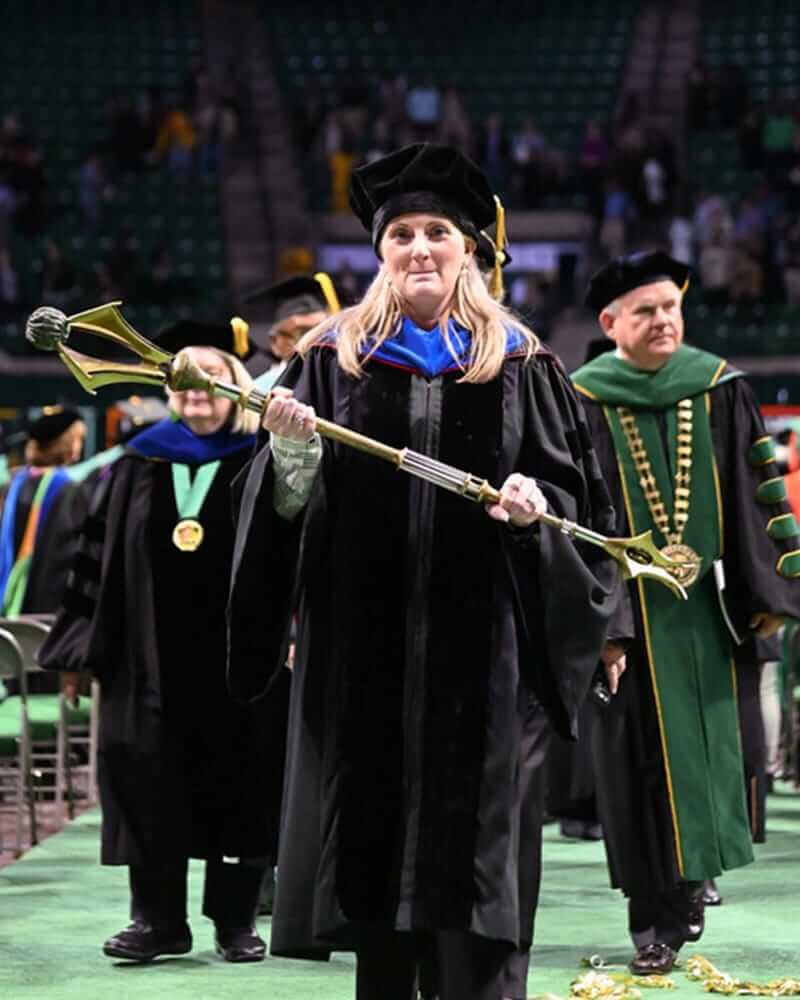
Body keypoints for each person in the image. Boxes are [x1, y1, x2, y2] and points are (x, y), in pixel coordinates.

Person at [227, 143, 628, 1000]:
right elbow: (276, 510)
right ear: (379, 251)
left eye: (437, 232)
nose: (419, 248)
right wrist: (291, 460)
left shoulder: (523, 364)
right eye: (401, 232)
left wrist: (536, 513)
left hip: (487, 672)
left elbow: (581, 505)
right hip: (361, 667)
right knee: (375, 882)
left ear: (471, 248)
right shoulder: (331, 364)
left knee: (480, 890)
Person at [572, 251, 800, 975]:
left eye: (671, 307)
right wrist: (605, 623)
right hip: (629, 619)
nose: (664, 320)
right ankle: (653, 919)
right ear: (611, 324)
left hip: (710, 612)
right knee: (636, 767)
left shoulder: (718, 387)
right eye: (646, 311)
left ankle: (692, 885)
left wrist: (766, 595)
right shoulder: (582, 399)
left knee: (709, 759)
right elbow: (576, 517)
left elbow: (757, 489)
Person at [37, 321, 288, 965]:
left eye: (211, 380)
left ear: (239, 388)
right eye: (183, 382)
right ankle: (157, 921)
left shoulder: (263, 458)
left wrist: (292, 632)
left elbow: (293, 558)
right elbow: (92, 563)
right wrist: (81, 652)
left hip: (241, 661)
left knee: (242, 782)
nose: (196, 394)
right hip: (144, 662)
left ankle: (235, 922)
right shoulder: (137, 462)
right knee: (150, 783)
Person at [0, 406, 87, 617]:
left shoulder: (14, 483)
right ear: (69, 444)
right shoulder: (70, 489)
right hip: (51, 606)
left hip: (11, 604)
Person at [245, 274, 338, 390]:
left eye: (324, 333)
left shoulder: (341, 385)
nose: (317, 342)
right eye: (302, 334)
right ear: (275, 342)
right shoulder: (261, 391)